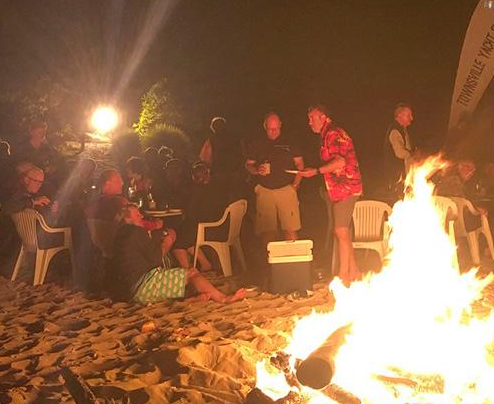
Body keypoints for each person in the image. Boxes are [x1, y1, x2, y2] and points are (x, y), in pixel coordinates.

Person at [113, 203, 246, 304]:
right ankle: (224, 298)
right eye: (137, 215)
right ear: (128, 219)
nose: (141, 216)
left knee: (176, 274)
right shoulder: (137, 232)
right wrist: (167, 242)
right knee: (191, 272)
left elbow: (142, 253)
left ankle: (191, 299)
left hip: (128, 288)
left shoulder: (120, 234)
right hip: (142, 287)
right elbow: (155, 259)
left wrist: (158, 234)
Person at [298, 105, 363, 284]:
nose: (309, 122)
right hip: (339, 190)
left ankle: (343, 276)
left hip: (346, 188)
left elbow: (340, 161)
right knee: (343, 232)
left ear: (323, 116)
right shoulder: (326, 135)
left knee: (340, 231)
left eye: (312, 117)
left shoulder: (334, 134)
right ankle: (355, 271)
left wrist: (316, 171)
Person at [246, 112, 304, 253]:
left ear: (280, 126)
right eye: (270, 129)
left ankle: (293, 261)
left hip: (286, 189)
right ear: (265, 126)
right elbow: (248, 165)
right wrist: (256, 170)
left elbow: (300, 165)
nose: (273, 132)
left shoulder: (290, 141)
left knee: (290, 228)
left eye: (276, 128)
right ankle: (270, 264)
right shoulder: (257, 143)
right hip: (265, 190)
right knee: (267, 231)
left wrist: (295, 185)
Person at [384, 103, 416, 193]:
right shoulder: (395, 131)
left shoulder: (401, 130)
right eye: (408, 115)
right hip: (398, 178)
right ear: (400, 116)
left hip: (401, 177)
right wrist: (412, 154)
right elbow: (399, 153)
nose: (412, 118)